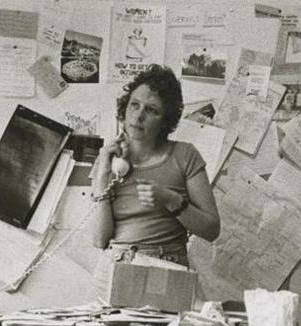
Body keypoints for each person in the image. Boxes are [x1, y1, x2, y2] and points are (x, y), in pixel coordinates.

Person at [89, 64, 220, 293]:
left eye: (151, 110)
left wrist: (173, 202)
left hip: (166, 264)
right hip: (115, 266)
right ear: (124, 109)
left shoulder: (185, 155)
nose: (138, 116)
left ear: (165, 121)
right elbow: (100, 240)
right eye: (134, 105)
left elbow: (211, 229)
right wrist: (102, 175)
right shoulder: (109, 159)